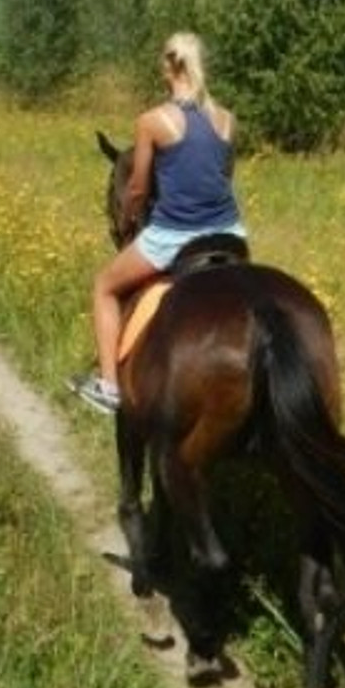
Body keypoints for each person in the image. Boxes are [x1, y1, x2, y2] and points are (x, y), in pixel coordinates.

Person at [72, 32, 244, 415]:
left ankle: (108, 388)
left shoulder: (152, 121)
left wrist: (132, 214)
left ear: (169, 66)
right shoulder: (227, 121)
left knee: (103, 286)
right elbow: (224, 177)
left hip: (175, 236)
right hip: (231, 234)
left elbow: (137, 187)